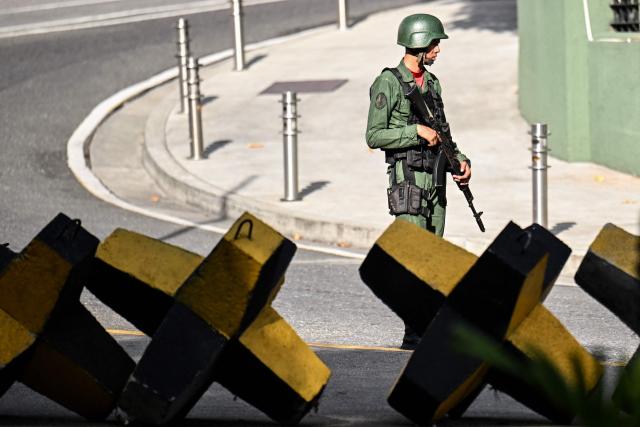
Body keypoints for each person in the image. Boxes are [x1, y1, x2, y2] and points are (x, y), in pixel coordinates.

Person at [365, 13, 472, 350]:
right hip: (408, 180)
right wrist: (414, 132)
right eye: (434, 43)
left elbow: (443, 131)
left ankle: (430, 326)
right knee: (414, 258)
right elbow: (374, 135)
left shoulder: (433, 83)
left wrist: (462, 160)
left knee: (434, 257)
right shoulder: (388, 83)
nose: (438, 49)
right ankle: (414, 333)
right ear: (419, 43)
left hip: (436, 179)